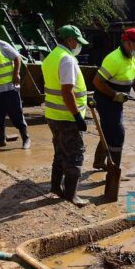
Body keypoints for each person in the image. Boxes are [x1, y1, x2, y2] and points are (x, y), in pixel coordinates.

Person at [92, 28, 135, 170]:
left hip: (118, 100)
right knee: (118, 133)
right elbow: (97, 81)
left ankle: (99, 161)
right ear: (128, 43)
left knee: (108, 131)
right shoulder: (114, 59)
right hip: (105, 100)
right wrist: (114, 95)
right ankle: (114, 168)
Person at [41, 25, 89, 207]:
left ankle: (55, 187)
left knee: (60, 152)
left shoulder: (51, 57)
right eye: (77, 41)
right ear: (70, 40)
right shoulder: (67, 60)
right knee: (75, 156)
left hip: (53, 115)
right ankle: (72, 195)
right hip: (67, 118)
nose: (78, 45)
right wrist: (78, 116)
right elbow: (67, 91)